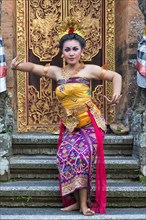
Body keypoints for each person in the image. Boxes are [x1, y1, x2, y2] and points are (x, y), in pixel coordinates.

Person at [11, 17, 122, 216]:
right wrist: (17, 66)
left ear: (82, 51)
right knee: (64, 156)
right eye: (67, 49)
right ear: (62, 52)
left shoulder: (89, 70)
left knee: (82, 156)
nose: (71, 53)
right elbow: (35, 68)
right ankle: (75, 201)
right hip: (71, 125)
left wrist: (116, 93)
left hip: (91, 123)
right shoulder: (57, 72)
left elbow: (116, 76)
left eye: (75, 49)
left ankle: (84, 205)